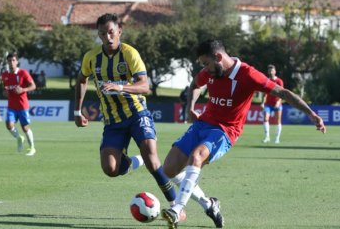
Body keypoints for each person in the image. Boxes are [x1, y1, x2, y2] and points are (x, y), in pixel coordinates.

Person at [160, 39, 326, 229]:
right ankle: (209, 204)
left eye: (206, 63)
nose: (205, 69)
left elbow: (284, 93)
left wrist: (312, 114)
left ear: (219, 57)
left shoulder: (248, 74)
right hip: (202, 123)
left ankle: (177, 209)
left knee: (197, 156)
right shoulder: (209, 71)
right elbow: (194, 85)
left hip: (225, 130)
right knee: (169, 169)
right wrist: (190, 108)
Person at [74, 13, 185, 221]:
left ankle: (176, 205)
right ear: (98, 34)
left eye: (111, 32)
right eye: (102, 33)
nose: (107, 37)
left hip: (136, 114)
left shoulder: (129, 53)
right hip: (113, 121)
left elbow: (145, 86)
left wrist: (120, 87)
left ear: (119, 32)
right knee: (110, 169)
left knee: (154, 161)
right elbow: (81, 80)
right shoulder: (91, 57)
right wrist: (77, 112)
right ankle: (137, 160)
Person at [2, 52, 37, 156]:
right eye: (9, 60)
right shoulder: (5, 75)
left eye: (13, 60)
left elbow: (33, 86)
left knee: (25, 128)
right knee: (9, 125)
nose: (11, 62)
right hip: (11, 105)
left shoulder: (23, 73)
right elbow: (5, 88)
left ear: (17, 62)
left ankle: (32, 148)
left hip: (22, 105)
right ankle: (19, 138)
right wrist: (4, 92)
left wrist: (23, 89)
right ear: (7, 62)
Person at [261, 65, 284, 143]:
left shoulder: (279, 81)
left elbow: (282, 93)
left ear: (275, 71)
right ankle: (267, 137)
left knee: (278, 121)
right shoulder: (266, 80)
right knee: (265, 119)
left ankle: (277, 138)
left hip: (277, 104)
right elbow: (264, 94)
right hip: (268, 104)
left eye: (272, 70)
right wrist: (262, 104)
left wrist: (278, 102)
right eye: (269, 71)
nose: (271, 72)